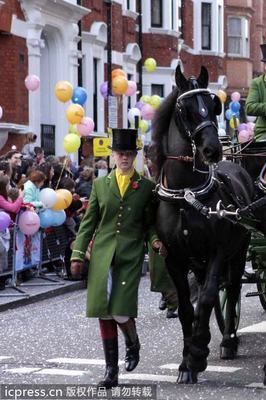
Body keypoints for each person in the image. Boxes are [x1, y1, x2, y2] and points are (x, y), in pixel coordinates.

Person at [69, 129, 166, 388]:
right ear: (113, 156)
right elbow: (88, 224)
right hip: (102, 255)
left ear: (134, 157)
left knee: (121, 311)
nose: (124, 158)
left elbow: (150, 225)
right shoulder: (101, 185)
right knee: (104, 311)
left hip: (129, 254)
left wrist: (155, 241)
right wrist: (77, 254)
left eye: (129, 154)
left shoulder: (146, 188)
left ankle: (132, 343)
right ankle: (111, 371)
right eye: (120, 154)